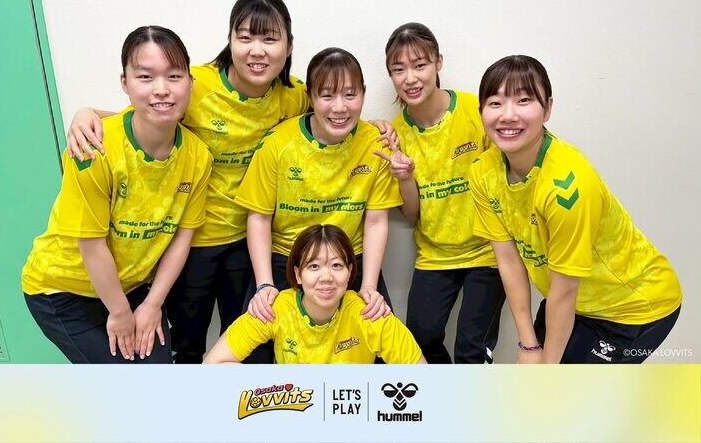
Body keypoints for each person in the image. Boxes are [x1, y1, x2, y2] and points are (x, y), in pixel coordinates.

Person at [64, 0, 310, 364]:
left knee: (245, 342)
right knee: (186, 343)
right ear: (230, 40)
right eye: (245, 37)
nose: (257, 50)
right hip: (190, 240)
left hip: (249, 239)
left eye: (269, 39)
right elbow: (145, 113)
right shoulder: (198, 85)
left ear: (289, 46)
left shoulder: (292, 95)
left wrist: (376, 128)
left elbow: (332, 113)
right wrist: (86, 113)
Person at [469, 54, 682, 364]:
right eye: (495, 103)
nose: (508, 115)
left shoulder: (567, 187)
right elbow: (510, 262)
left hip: (631, 307)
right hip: (573, 300)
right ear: (481, 111)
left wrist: (548, 369)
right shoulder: (482, 172)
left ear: (547, 108)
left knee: (565, 389)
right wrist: (528, 346)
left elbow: (565, 292)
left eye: (524, 100)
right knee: (532, 380)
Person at [22, 26, 213, 363]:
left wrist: (152, 304)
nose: (161, 89)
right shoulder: (93, 150)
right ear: (125, 83)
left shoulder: (197, 156)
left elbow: (182, 237)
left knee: (158, 374)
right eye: (145, 77)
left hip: (131, 287)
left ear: (190, 82)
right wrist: (121, 313)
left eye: (174, 76)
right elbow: (91, 244)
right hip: (64, 289)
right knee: (123, 381)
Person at [235, 47, 401, 361]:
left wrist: (369, 286)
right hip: (286, 260)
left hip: (349, 262)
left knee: (380, 348)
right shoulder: (277, 144)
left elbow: (377, 220)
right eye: (327, 95)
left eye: (350, 95)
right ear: (310, 96)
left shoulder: (375, 144)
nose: (340, 107)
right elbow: (258, 218)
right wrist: (264, 285)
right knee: (253, 357)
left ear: (363, 94)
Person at [375, 22, 506, 363]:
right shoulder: (396, 136)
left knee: (470, 351)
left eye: (420, 65)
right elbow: (412, 215)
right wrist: (405, 177)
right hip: (435, 255)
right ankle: (445, 395)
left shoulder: (476, 112)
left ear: (438, 63)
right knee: (420, 341)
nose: (410, 78)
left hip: (487, 252)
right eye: (399, 69)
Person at [204, 224, 426, 364]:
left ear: (350, 272)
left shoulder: (370, 313)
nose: (326, 276)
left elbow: (423, 379)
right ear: (297, 274)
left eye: (336, 265)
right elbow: (213, 364)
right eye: (314, 266)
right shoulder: (275, 308)